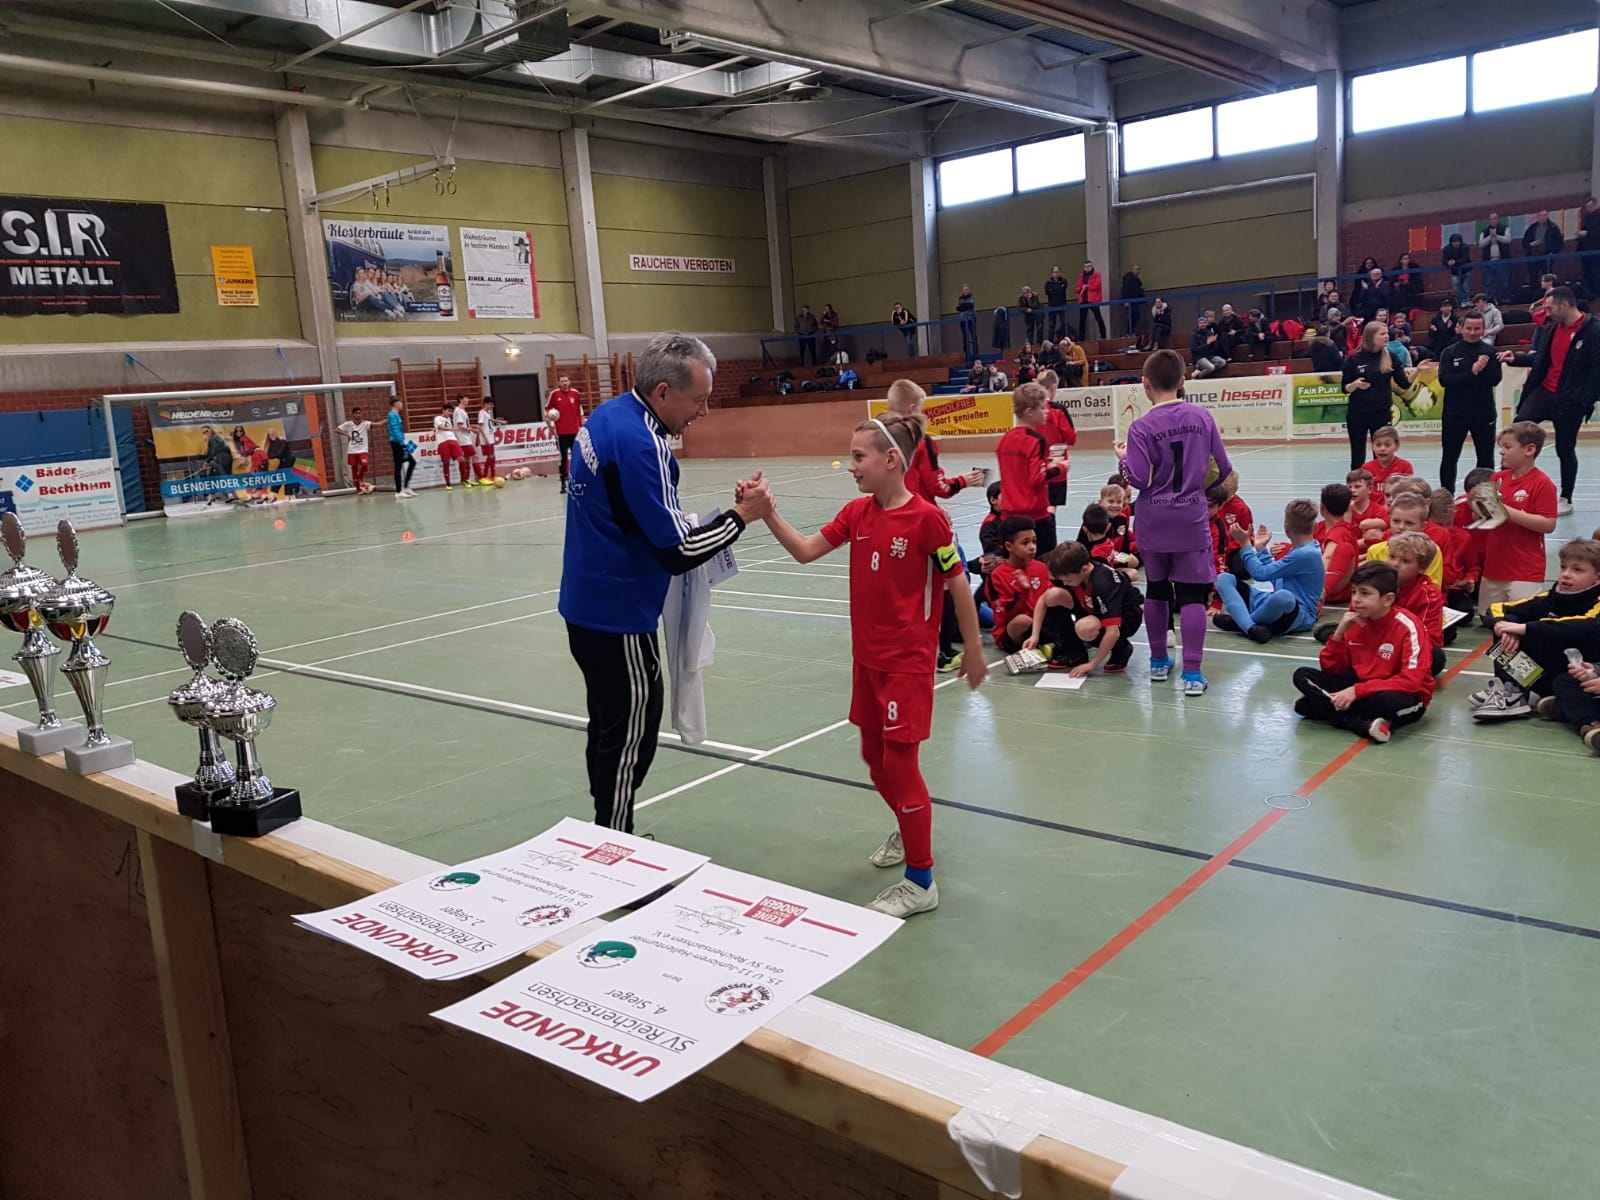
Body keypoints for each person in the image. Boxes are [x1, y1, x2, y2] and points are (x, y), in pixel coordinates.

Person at [759, 413, 986, 917]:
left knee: (901, 763)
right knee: (874, 758)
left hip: (907, 662)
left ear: (891, 460)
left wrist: (972, 647)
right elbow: (806, 551)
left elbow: (956, 582)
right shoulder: (857, 513)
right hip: (867, 659)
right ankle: (909, 827)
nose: (851, 466)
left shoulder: (927, 519)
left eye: (859, 457)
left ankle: (921, 881)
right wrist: (768, 512)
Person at [559, 332, 771, 834]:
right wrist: (742, 517)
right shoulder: (642, 443)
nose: (703, 411)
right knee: (630, 738)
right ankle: (613, 843)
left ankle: (606, 831)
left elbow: (636, 516)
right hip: (618, 616)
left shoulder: (608, 416)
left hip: (585, 605)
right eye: (698, 400)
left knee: (608, 726)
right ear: (662, 392)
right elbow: (678, 553)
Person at [1115, 348, 1232, 697]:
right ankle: (1192, 674)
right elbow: (1223, 468)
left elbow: (1137, 478)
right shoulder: (1202, 417)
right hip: (1190, 518)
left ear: (1145, 384)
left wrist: (1123, 459)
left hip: (1153, 519)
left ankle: (1157, 662)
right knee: (1193, 594)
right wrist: (1196, 488)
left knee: (1157, 588)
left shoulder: (1140, 427)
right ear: (1182, 381)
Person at [887, 380, 985, 672]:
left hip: (892, 522)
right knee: (949, 583)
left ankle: (904, 648)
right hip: (924, 524)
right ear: (912, 408)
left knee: (904, 588)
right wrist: (963, 481)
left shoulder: (881, 438)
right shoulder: (923, 441)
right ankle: (944, 652)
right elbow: (937, 486)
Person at [1292, 562, 1434, 745]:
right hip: (1362, 685)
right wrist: (1339, 633)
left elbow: (1411, 681)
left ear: (1388, 599)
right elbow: (1332, 670)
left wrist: (1356, 691)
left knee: (1386, 703)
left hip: (1402, 695)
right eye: (1353, 592)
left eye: (1365, 593)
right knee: (1302, 675)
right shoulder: (1354, 620)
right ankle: (1360, 723)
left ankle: (1327, 709)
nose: (1356, 599)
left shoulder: (1408, 626)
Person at [1471, 538, 1600, 723]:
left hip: (1580, 674)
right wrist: (1505, 626)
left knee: (1529, 631)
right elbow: (1498, 608)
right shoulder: (1552, 597)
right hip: (1546, 674)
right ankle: (1511, 690)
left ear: (1598, 577)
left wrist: (1527, 628)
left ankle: (1552, 702)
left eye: (1577, 570)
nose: (1566, 575)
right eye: (1563, 567)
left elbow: (1586, 625)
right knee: (1506, 629)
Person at [1501, 286, 1600, 515]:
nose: (1546, 312)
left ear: (1564, 305)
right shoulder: (1551, 329)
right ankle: (1505, 485)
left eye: (1549, 308)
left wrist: (1584, 400)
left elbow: (1597, 371)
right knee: (1515, 433)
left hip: (1569, 400)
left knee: (1565, 448)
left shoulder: (1594, 331)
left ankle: (1566, 497)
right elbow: (1541, 359)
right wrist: (1516, 359)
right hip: (1543, 392)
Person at [1479, 420, 1560, 621]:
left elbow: (1548, 524)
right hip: (1494, 566)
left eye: (1507, 447)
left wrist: (1506, 510)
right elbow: (1485, 517)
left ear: (1529, 450)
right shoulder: (1497, 478)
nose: (1502, 452)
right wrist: (1479, 508)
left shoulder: (1542, 483)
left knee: (1519, 620)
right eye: (1501, 447)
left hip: (1525, 570)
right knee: (1487, 619)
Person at [1024, 541, 1143, 675]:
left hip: (1125, 617)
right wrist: (1034, 636)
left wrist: (1093, 664)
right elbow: (1043, 600)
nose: (1064, 584)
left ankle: (1121, 648)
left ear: (1085, 570)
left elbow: (1113, 631)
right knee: (1052, 596)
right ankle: (1074, 651)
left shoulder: (1103, 583)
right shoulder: (1073, 571)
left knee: (1085, 628)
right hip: (1092, 605)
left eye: (1068, 581)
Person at [1214, 500, 1324, 644]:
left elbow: (1260, 574)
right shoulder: (1302, 548)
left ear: (1286, 527)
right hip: (1270, 606)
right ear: (1315, 525)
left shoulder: (1306, 553)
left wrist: (1245, 544)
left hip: (1297, 615)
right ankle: (1250, 627)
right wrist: (1261, 550)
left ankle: (1242, 624)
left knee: (1284, 597)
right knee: (1223, 578)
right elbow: (1275, 578)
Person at [996, 382, 1068, 553]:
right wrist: (1060, 468)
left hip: (1008, 516)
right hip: (1035, 517)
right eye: (1042, 408)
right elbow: (1037, 478)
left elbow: (1019, 470)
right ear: (1029, 412)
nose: (1047, 411)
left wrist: (1045, 464)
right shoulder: (1036, 440)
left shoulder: (1005, 440)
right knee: (1045, 562)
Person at [1436, 312, 1501, 493]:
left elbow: (1494, 379)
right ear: (1461, 328)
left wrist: (1475, 374)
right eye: (1469, 328)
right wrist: (1472, 372)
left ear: (1483, 329)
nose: (1472, 332)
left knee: (1486, 458)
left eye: (1477, 329)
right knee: (1449, 457)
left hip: (1483, 413)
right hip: (1455, 413)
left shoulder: (1490, 352)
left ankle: (1486, 497)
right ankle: (1446, 497)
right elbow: (1445, 380)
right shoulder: (1449, 352)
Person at [1342, 322, 1412, 472]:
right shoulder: (1354, 359)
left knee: (1381, 455)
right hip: (1358, 413)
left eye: (1387, 333)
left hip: (1381, 412)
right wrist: (1355, 384)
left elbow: (1404, 384)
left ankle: (1380, 484)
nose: (1386, 336)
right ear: (1371, 337)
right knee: (1357, 455)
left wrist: (1418, 370)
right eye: (1382, 334)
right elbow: (1345, 388)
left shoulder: (1391, 357)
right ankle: (1357, 483)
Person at [988, 516, 1051, 657]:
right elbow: (1003, 616)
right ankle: (1040, 647)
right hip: (1012, 630)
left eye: (1034, 541)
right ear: (1009, 546)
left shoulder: (1041, 567)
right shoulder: (997, 575)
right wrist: (1022, 592)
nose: (1032, 547)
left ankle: (1046, 644)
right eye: (1025, 543)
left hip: (1039, 623)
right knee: (1022, 621)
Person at [1387, 531, 1447, 676]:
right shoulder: (1378, 581)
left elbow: (1427, 637)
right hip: (1379, 641)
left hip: (1408, 645)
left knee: (1436, 657)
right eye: (1392, 557)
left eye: (1405, 561)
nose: (1395, 564)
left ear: (1422, 568)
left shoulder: (1428, 595)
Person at [546, 374, 585, 494]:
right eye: (562, 381)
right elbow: (547, 409)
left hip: (574, 432)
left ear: (569, 382)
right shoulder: (554, 394)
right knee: (563, 458)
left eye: (566, 381)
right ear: (559, 383)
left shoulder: (576, 393)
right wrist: (550, 419)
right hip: (561, 433)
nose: (565, 383)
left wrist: (581, 427)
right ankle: (563, 484)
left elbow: (579, 412)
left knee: (577, 457)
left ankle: (579, 481)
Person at [1522, 209, 1565, 289]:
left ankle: (1550, 292)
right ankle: (1534, 293)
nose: (1542, 217)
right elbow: (1524, 242)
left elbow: (1559, 242)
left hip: (1547, 256)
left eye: (1544, 215)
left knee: (1548, 276)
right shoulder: (1532, 227)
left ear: (1547, 216)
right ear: (1537, 217)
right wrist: (1530, 244)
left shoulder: (1553, 227)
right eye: (1540, 215)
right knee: (1533, 276)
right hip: (1533, 256)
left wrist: (1553, 252)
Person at [336, 407, 374, 495]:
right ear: (353, 414)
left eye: (359, 413)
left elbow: (377, 424)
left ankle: (360, 477)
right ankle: (358, 489)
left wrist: (386, 420)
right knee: (354, 470)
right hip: (352, 450)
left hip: (363, 450)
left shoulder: (365, 424)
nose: (358, 415)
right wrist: (347, 435)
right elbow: (336, 430)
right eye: (356, 413)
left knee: (364, 464)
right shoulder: (348, 424)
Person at [386, 396, 416, 498]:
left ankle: (405, 487)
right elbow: (395, 429)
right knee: (400, 465)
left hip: (399, 442)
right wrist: (402, 443)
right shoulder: (392, 415)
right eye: (400, 402)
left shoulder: (396, 415)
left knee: (409, 462)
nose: (402, 404)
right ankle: (399, 491)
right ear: (395, 403)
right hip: (397, 443)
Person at [433, 401, 466, 490]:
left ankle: (463, 480)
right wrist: (451, 429)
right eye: (448, 411)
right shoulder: (438, 418)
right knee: (446, 462)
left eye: (451, 411)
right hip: (443, 441)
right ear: (443, 410)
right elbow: (440, 427)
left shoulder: (449, 420)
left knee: (462, 459)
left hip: (453, 440)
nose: (450, 413)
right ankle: (448, 484)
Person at [1479, 213, 1512, 300]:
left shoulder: (1504, 228)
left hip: (1502, 260)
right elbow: (1481, 244)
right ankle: (1489, 300)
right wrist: (1490, 236)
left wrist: (1496, 236)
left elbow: (1508, 240)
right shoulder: (1484, 231)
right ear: (1488, 221)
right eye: (1491, 219)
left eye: (1495, 219)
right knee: (1488, 282)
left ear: (1498, 219)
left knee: (1504, 282)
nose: (1493, 221)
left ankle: (1505, 299)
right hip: (1488, 261)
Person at [475, 397, 505, 484]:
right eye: (491, 404)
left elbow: (489, 420)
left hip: (490, 438)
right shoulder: (482, 413)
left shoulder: (487, 413)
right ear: (486, 404)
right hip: (486, 439)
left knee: (492, 456)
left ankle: (492, 476)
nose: (492, 406)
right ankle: (484, 476)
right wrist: (485, 439)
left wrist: (500, 421)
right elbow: (480, 426)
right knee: (490, 456)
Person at [451, 395, 478, 488]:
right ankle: (465, 479)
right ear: (460, 400)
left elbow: (465, 425)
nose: (468, 400)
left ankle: (466, 479)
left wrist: (472, 427)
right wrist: (472, 430)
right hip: (462, 439)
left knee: (467, 459)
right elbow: (460, 426)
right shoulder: (458, 411)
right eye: (466, 398)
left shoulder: (463, 411)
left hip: (466, 438)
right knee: (474, 456)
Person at [1076, 260, 1105, 340]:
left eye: (1089, 266)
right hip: (1083, 300)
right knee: (1082, 320)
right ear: (1083, 267)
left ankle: (1103, 335)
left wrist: (1087, 286)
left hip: (1093, 300)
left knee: (1098, 317)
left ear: (1092, 267)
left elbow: (1097, 285)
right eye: (1086, 266)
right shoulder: (1081, 276)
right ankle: (1082, 338)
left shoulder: (1096, 275)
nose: (1087, 268)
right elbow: (1077, 288)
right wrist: (1081, 287)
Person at [1442, 233, 1473, 307]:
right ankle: (1460, 302)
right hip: (1455, 272)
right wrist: (1448, 262)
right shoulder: (1447, 249)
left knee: (1466, 287)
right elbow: (1444, 261)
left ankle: (1466, 300)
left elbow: (1466, 259)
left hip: (1466, 271)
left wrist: (1455, 262)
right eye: (1454, 242)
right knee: (1456, 288)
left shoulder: (1465, 247)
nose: (1456, 243)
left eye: (1457, 241)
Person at [1580, 197, 1600, 302]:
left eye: (1590, 207)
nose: (1588, 209)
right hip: (1586, 250)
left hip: (1597, 249)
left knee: (1596, 273)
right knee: (1587, 274)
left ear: (1596, 205)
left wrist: (1588, 233)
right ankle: (1590, 295)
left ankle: (1597, 295)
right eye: (1587, 207)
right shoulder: (1587, 217)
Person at [1120, 264, 1146, 342]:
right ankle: (1128, 332)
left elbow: (1139, 289)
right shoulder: (1128, 278)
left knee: (1136, 315)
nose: (1137, 271)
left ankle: (1131, 331)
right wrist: (1125, 300)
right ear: (1133, 270)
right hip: (1130, 300)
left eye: (1138, 269)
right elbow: (1125, 290)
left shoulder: (1137, 279)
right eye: (1136, 269)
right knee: (1132, 315)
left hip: (1135, 300)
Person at [955, 286, 978, 360]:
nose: (966, 291)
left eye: (967, 289)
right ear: (962, 291)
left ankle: (975, 352)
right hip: (963, 319)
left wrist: (962, 306)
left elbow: (970, 305)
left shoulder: (972, 297)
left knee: (973, 335)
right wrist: (964, 306)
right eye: (964, 290)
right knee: (964, 336)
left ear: (969, 290)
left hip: (971, 318)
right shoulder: (960, 298)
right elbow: (957, 308)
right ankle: (966, 352)